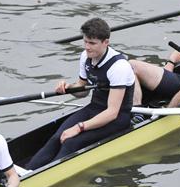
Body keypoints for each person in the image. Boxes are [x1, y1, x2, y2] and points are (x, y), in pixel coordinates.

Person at [27, 17, 135, 170]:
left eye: (92, 43)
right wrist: (68, 88)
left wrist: (79, 127)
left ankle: (45, 176)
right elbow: (82, 89)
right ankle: (24, 174)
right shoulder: (86, 56)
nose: (87, 47)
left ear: (106, 42)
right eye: (85, 42)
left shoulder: (119, 67)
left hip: (117, 119)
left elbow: (112, 113)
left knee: (71, 142)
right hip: (94, 108)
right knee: (57, 137)